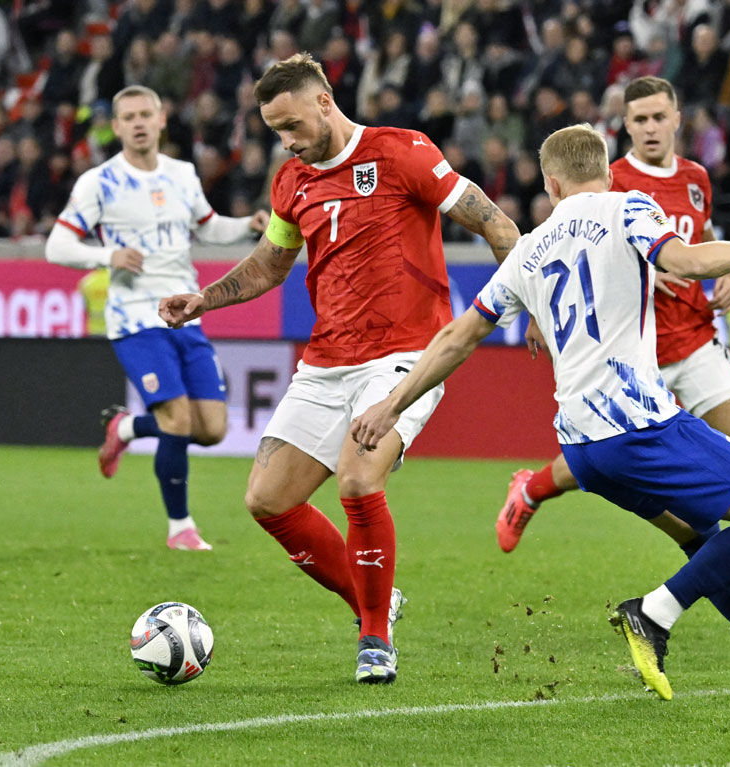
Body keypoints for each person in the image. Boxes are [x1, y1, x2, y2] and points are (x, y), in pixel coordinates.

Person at [352, 123, 730, 701]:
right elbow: (688, 261)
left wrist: (391, 405)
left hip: (584, 450)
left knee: (702, 538)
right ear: (608, 170)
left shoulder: (527, 248)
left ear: (550, 184)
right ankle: (653, 613)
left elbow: (456, 338)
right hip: (639, 426)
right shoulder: (627, 208)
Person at [158, 54, 522, 685]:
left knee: (356, 478)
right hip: (328, 360)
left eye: (293, 125)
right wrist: (204, 300)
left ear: (324, 100)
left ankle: (374, 638)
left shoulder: (403, 151)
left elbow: (497, 225)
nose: (288, 141)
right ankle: (373, 596)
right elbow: (270, 267)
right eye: (276, 131)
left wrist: (530, 305)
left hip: (407, 355)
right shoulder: (290, 183)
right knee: (267, 500)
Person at [495, 76, 730, 611]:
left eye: (658, 117)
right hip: (629, 356)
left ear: (676, 120)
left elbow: (704, 236)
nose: (649, 127)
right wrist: (537, 312)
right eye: (639, 119)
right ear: (626, 125)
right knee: (594, 462)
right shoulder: (607, 180)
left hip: (693, 340)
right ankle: (531, 490)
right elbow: (558, 256)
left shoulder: (695, 178)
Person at [45, 85, 268, 552]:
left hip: (185, 313)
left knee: (211, 429)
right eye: (129, 116)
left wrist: (246, 226)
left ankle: (126, 428)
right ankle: (180, 528)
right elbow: (57, 246)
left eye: (146, 113)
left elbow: (207, 228)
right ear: (118, 126)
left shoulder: (183, 174)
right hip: (133, 317)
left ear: (162, 119)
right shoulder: (98, 183)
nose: (139, 122)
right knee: (177, 417)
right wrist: (108, 255)